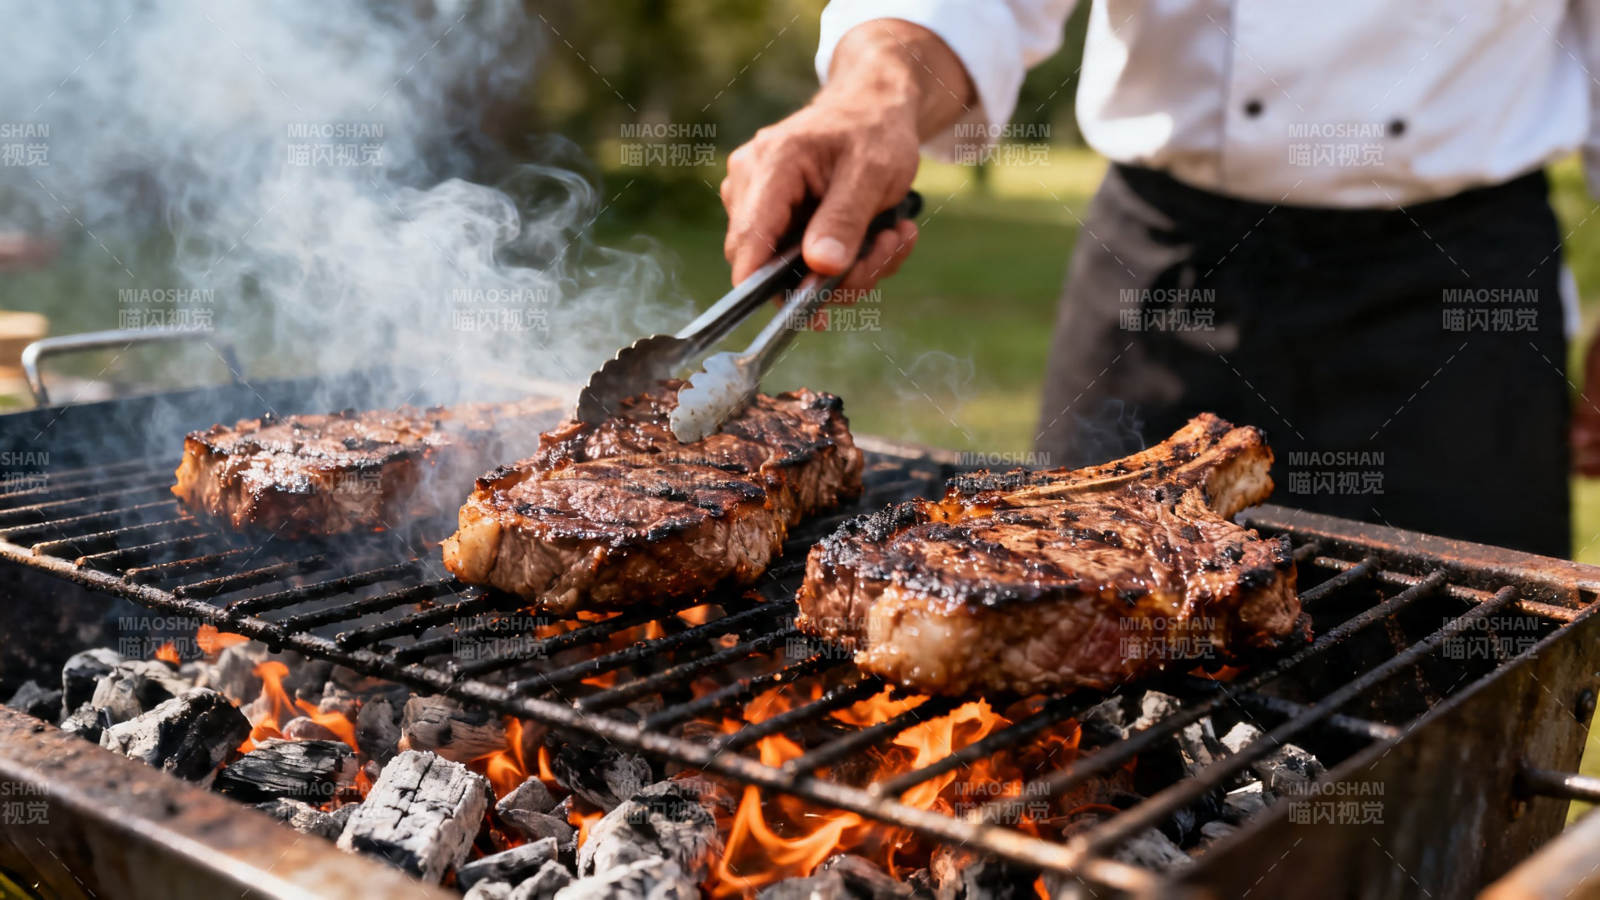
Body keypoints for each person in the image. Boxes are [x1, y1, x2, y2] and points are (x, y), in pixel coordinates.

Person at [719, 1, 1600, 558]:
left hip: (1453, 294)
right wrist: (875, 92)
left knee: (1453, 689)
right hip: (1161, 272)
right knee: (1066, 636)